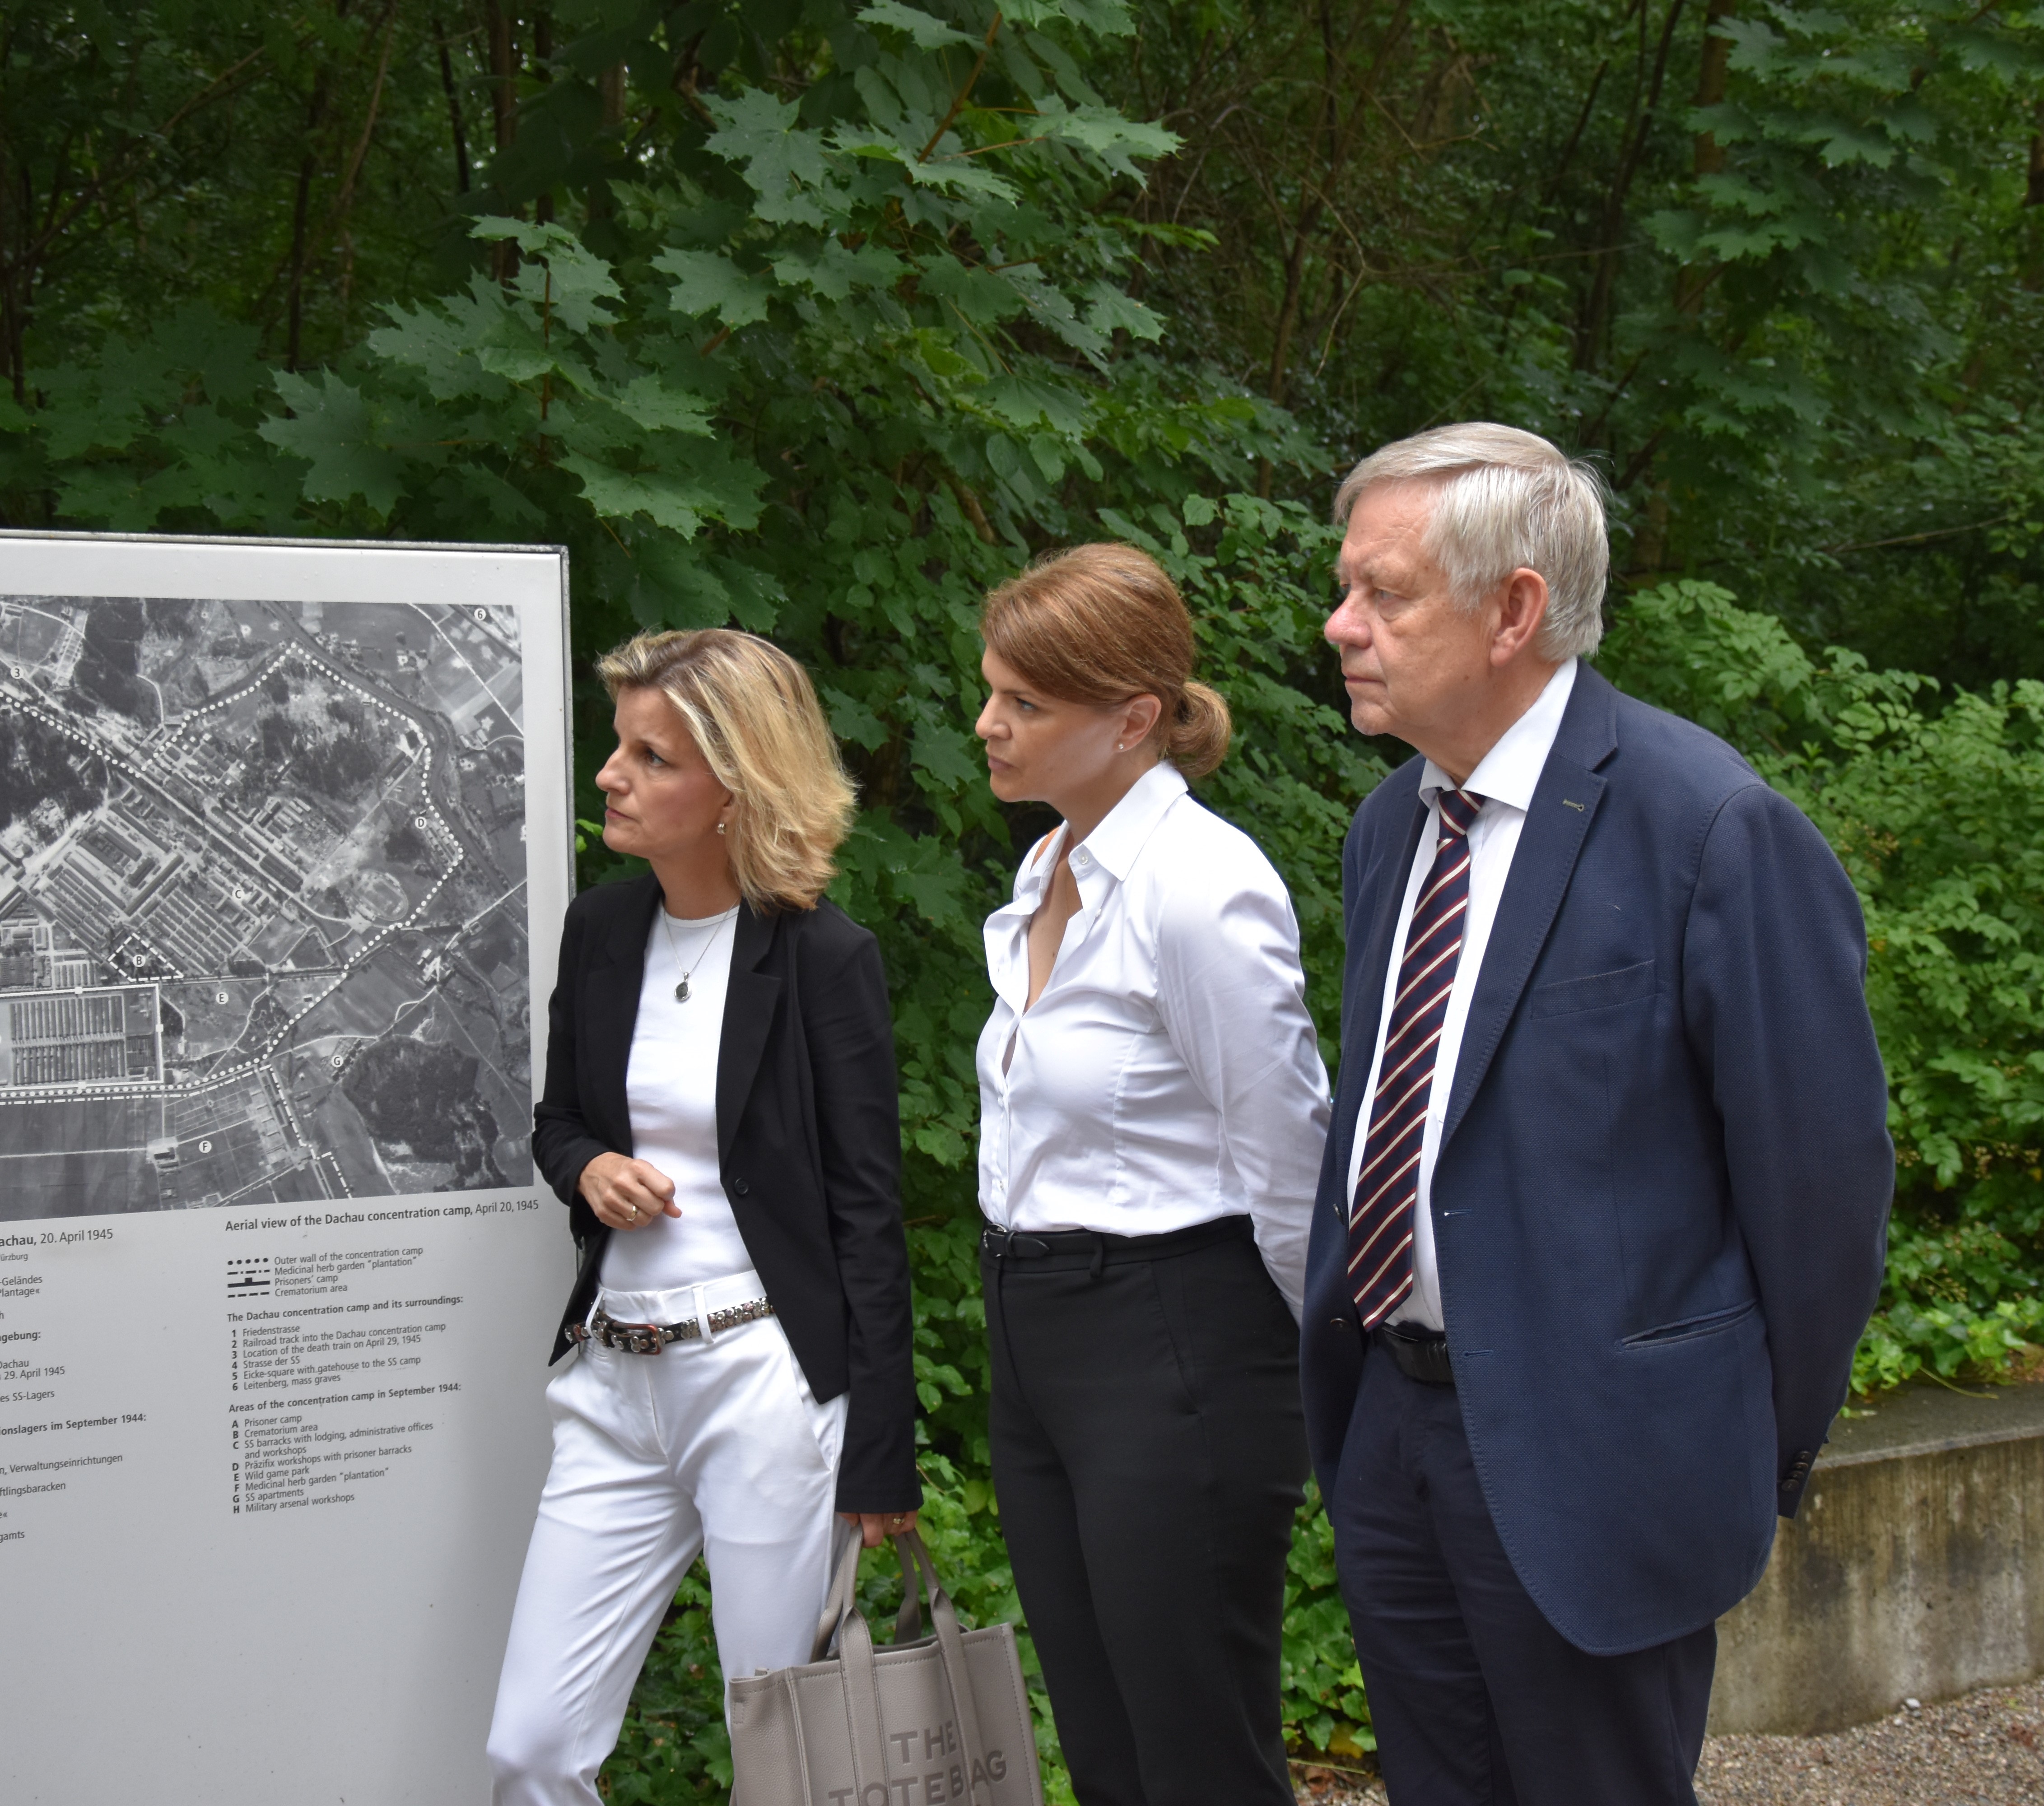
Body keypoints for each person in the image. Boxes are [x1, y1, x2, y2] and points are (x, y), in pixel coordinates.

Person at [1300, 424, 1894, 1805]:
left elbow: (1818, 1189)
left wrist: (1739, 1444)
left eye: (1383, 594)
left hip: (1598, 1460)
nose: (1341, 626)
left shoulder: (1709, 826)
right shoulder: (1392, 829)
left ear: (1513, 610)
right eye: (1348, 589)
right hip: (1395, 1432)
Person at [487, 628, 919, 1806]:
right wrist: (588, 1170)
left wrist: (881, 1446)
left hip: (763, 1387)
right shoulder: (605, 930)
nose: (611, 775)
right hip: (613, 1381)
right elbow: (559, 1118)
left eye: (650, 756)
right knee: (532, 1747)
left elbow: (867, 1215)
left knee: (783, 1758)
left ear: (735, 785)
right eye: (618, 746)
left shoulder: (824, 958)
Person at [970, 542, 1332, 1806]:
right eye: (992, 691)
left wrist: (1326, 1366)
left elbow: (1290, 1156)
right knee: (1106, 1739)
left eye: (1025, 702)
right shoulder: (1047, 867)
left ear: (1133, 720)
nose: (988, 724)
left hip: (1173, 1338)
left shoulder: (1200, 888)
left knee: (1195, 1743)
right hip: (1038, 1338)